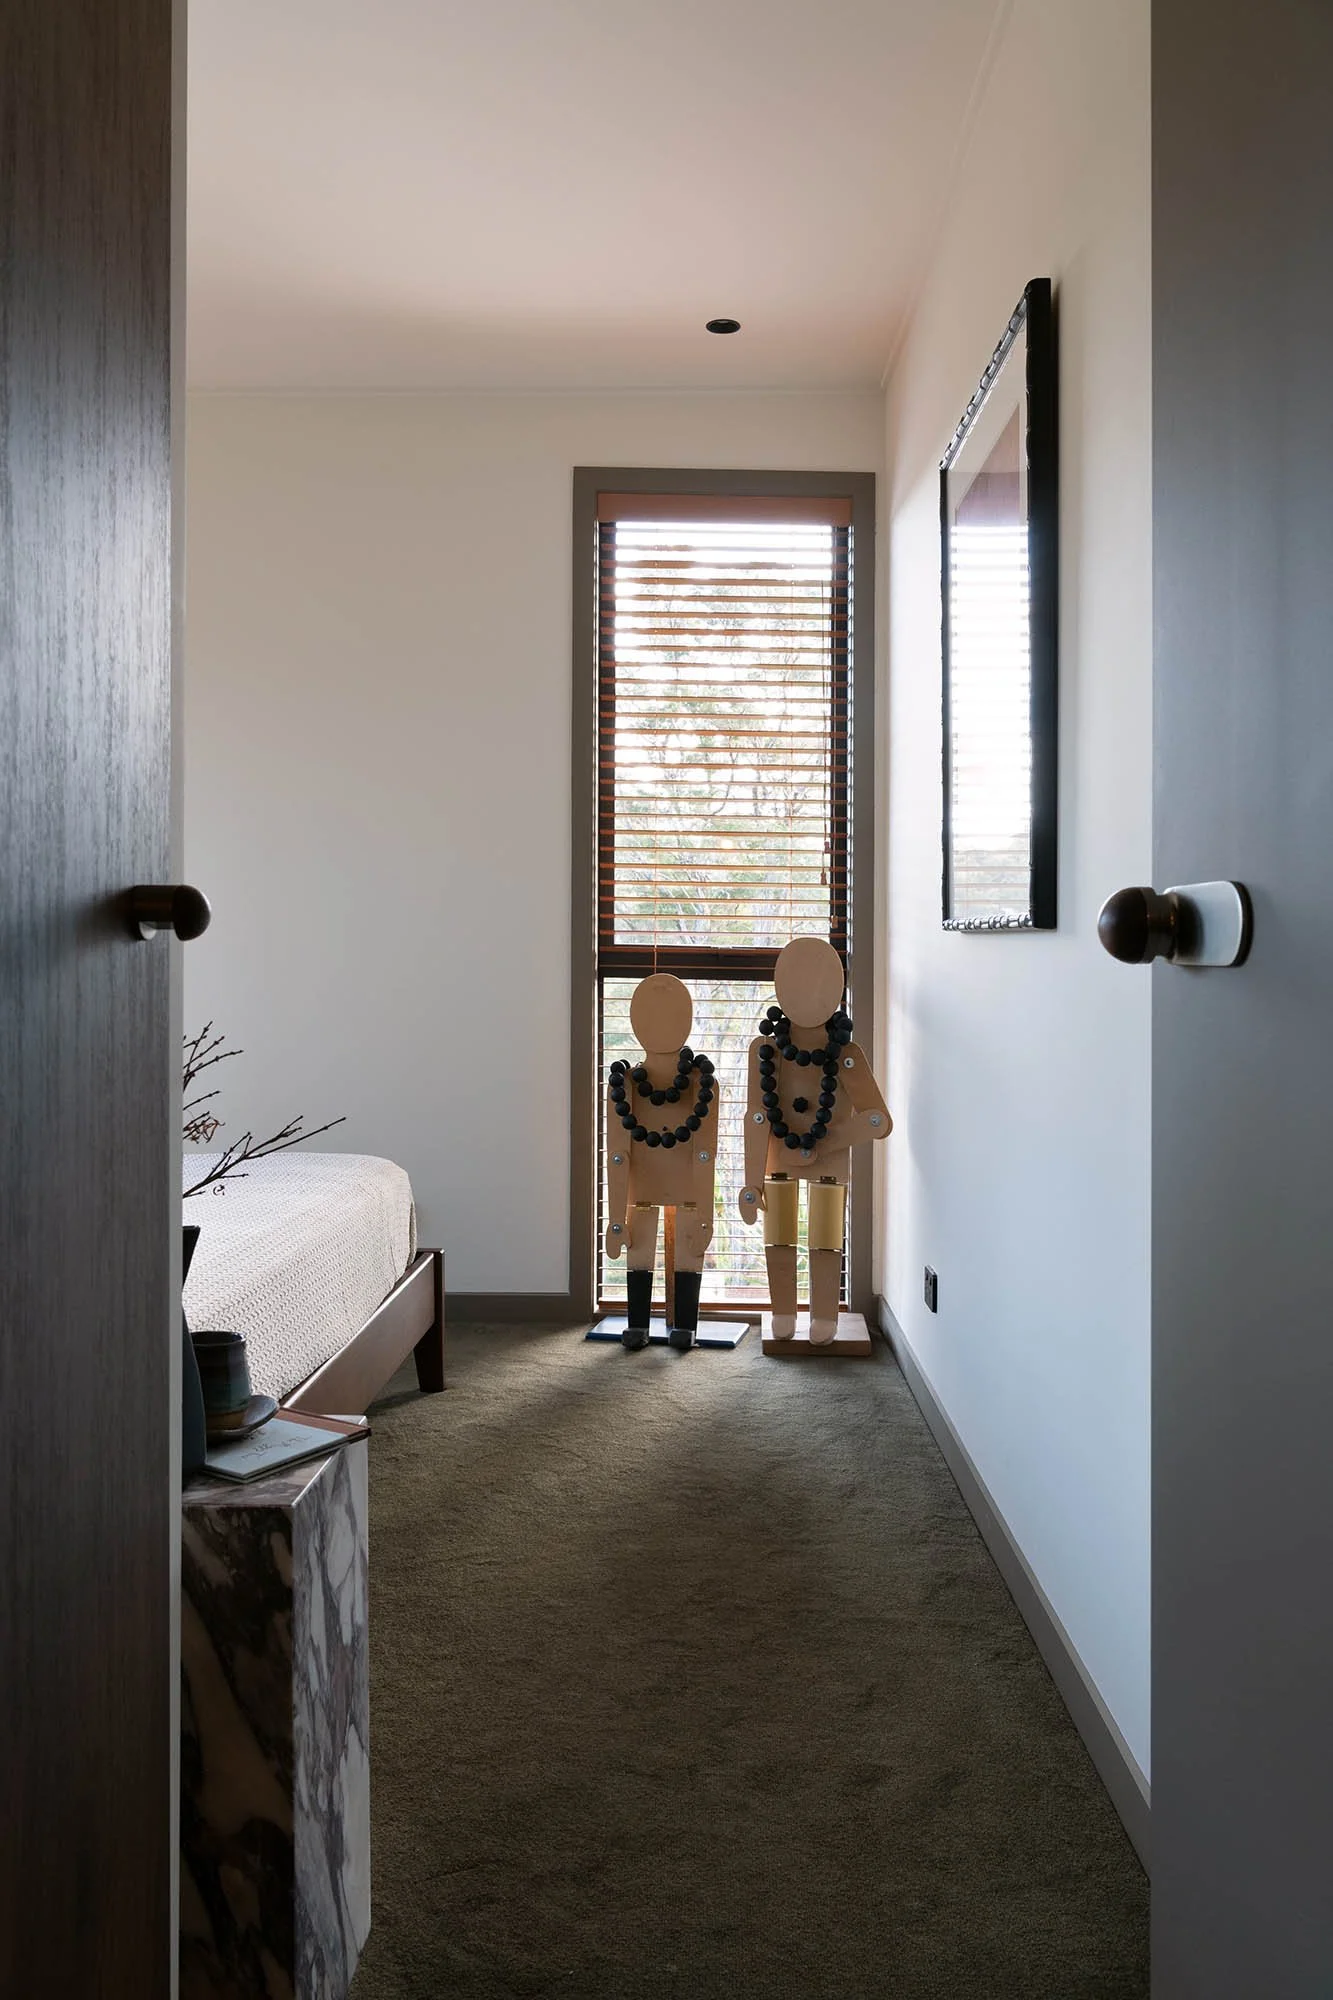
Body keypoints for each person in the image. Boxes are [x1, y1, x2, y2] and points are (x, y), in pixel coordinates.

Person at [738, 936, 891, 1343]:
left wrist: (824, 1142)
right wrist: (750, 1181)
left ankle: (825, 1315)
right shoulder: (765, 1051)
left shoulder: (844, 1053)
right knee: (778, 1239)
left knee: (825, 1243)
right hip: (779, 1162)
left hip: (829, 1164)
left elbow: (877, 1119)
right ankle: (783, 1312)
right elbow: (757, 1116)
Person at [604, 973, 720, 1352]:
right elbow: (618, 1153)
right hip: (642, 1185)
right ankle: (637, 1323)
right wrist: (615, 1219)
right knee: (638, 1244)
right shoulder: (624, 1084)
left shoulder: (703, 1083)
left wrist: (706, 1216)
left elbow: (705, 1153)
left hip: (687, 1185)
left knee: (688, 1245)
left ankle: (685, 1325)